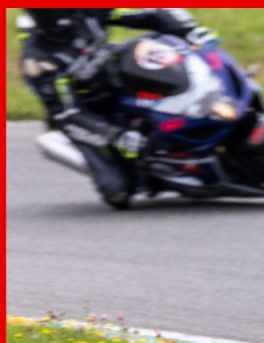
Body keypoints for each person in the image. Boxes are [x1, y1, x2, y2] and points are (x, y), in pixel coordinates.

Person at [17, 9, 215, 208]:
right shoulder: (38, 62)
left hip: (116, 77)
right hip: (89, 113)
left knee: (164, 49)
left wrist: (188, 30)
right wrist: (115, 134)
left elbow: (149, 13)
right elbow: (68, 113)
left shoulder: (87, 10)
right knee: (118, 192)